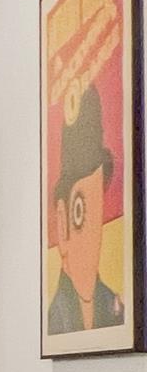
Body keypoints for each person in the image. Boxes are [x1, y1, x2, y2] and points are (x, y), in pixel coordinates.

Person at [47, 82, 125, 335]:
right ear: (62, 223)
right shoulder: (55, 318)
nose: (94, 240)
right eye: (81, 214)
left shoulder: (116, 307)